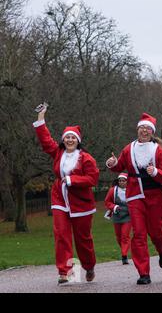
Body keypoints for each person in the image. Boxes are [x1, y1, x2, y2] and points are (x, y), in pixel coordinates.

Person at [106, 113, 162, 285]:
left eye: (147, 128)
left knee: (155, 231)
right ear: (137, 129)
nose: (144, 131)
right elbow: (119, 166)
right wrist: (112, 163)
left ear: (152, 132)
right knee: (138, 234)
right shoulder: (129, 149)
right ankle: (143, 273)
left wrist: (155, 172)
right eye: (141, 128)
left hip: (154, 196)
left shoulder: (158, 151)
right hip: (135, 196)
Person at [33, 105, 99, 284]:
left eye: (73, 138)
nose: (70, 140)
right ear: (63, 140)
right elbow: (46, 140)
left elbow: (92, 179)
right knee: (61, 234)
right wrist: (41, 117)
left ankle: (89, 265)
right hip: (60, 197)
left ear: (78, 141)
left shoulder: (86, 158)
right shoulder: (58, 153)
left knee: (83, 239)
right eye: (67, 137)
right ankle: (64, 272)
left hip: (81, 202)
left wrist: (73, 180)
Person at [104, 173, 132, 264]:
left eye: (123, 181)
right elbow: (107, 201)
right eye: (120, 181)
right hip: (117, 216)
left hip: (128, 216)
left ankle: (124, 255)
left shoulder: (131, 190)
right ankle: (125, 249)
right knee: (119, 237)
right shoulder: (113, 190)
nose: (121, 182)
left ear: (127, 181)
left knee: (125, 236)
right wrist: (114, 207)